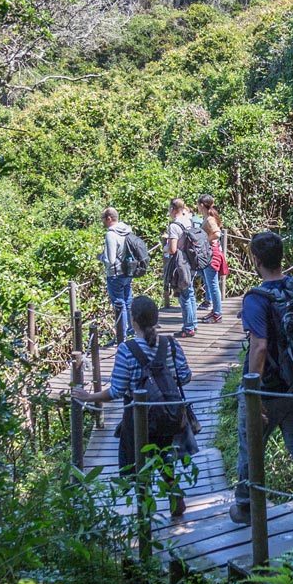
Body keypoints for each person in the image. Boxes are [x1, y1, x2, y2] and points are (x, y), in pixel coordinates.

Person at [228, 231, 293, 529]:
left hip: (268, 388)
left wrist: (255, 393)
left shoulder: (256, 299)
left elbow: (259, 347)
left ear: (256, 260)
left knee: (251, 444)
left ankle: (246, 505)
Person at [108, 295, 196, 518]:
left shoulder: (126, 350)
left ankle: (145, 510)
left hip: (139, 416)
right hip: (169, 414)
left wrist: (87, 397)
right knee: (165, 454)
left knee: (138, 460)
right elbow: (184, 376)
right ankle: (174, 495)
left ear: (134, 321)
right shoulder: (171, 344)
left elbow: (116, 390)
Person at [99, 207, 141, 344]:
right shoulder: (127, 230)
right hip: (128, 271)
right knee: (128, 302)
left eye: (103, 219)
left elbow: (110, 260)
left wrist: (100, 257)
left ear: (109, 218)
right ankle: (131, 331)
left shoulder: (111, 234)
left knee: (119, 305)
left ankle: (121, 337)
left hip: (115, 274)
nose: (103, 222)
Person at [163, 198, 199, 337]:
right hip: (192, 259)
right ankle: (193, 323)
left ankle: (188, 327)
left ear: (172, 209)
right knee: (190, 293)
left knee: (184, 295)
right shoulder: (188, 220)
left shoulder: (174, 226)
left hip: (182, 262)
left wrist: (164, 248)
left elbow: (172, 249)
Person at [195, 194, 226, 324]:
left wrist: (205, 241)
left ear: (201, 205)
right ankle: (214, 311)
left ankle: (217, 313)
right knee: (210, 283)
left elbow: (217, 233)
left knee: (213, 285)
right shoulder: (207, 217)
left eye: (197, 204)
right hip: (209, 253)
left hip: (211, 254)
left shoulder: (209, 219)